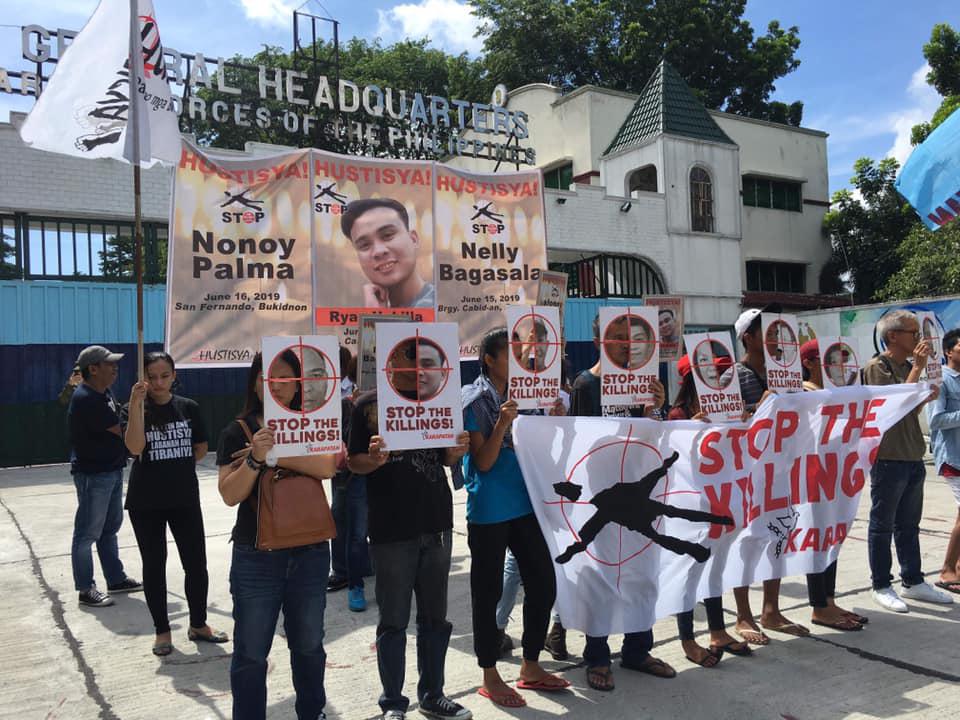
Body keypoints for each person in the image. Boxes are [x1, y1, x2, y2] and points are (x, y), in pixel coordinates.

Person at [217, 352, 337, 720]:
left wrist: (276, 455)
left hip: (311, 551)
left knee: (310, 645)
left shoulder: (314, 421)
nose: (279, 387)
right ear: (255, 381)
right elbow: (229, 494)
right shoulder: (236, 431)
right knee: (252, 652)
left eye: (287, 378)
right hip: (257, 557)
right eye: (269, 378)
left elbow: (327, 466)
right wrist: (254, 457)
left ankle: (312, 712)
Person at [347, 385, 473, 720]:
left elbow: (445, 457)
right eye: (408, 350)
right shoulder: (368, 405)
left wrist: (457, 450)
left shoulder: (438, 396)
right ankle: (392, 703)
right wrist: (373, 460)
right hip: (391, 529)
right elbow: (352, 461)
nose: (417, 359)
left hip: (436, 521)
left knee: (435, 618)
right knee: (393, 621)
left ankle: (433, 695)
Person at [461, 328, 570, 708]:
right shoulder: (474, 400)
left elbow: (549, 452)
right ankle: (489, 673)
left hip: (528, 503)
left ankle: (530, 665)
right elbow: (484, 462)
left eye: (526, 354)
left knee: (543, 581)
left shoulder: (533, 394)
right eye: (512, 354)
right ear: (489, 359)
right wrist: (503, 424)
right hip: (491, 508)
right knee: (486, 590)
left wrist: (555, 420)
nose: (523, 361)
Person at [565, 314, 673, 692]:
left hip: (640, 494)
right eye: (616, 338)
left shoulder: (647, 382)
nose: (626, 346)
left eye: (631, 338)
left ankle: (637, 649)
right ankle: (596, 655)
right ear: (599, 342)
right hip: (603, 497)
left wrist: (653, 412)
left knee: (642, 572)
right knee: (602, 574)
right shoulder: (586, 384)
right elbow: (578, 444)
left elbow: (656, 439)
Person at [122, 351, 228, 655]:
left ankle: (198, 623)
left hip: (183, 498)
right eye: (152, 376)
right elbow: (134, 447)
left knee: (196, 563)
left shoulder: (188, 408)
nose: (158, 383)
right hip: (146, 502)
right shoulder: (135, 408)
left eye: (164, 376)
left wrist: (174, 465)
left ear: (174, 375)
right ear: (143, 377)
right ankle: (162, 631)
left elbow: (201, 447)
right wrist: (135, 406)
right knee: (154, 566)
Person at [722, 308, 809, 643]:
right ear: (748, 337)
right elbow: (729, 424)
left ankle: (771, 610)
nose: (777, 340)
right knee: (744, 543)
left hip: (781, 470)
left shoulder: (789, 373)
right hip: (745, 474)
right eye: (768, 333)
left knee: (779, 536)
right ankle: (743, 615)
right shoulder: (733, 375)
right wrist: (761, 407)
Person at [864, 310, 952, 611]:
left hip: (912, 454)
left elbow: (908, 412)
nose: (919, 339)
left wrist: (923, 396)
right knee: (882, 524)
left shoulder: (907, 367)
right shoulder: (879, 366)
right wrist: (918, 371)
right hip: (888, 457)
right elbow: (893, 404)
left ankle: (913, 580)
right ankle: (881, 583)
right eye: (913, 333)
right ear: (893, 336)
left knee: (909, 524)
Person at [668, 355, 753, 664]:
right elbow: (668, 454)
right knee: (689, 573)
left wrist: (744, 421)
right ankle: (687, 639)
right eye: (712, 375)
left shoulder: (729, 412)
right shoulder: (679, 413)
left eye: (721, 375)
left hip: (719, 505)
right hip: (690, 510)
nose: (719, 381)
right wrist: (687, 428)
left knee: (715, 569)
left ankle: (717, 631)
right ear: (693, 379)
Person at [798, 341, 868, 631]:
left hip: (836, 475)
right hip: (812, 475)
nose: (839, 367)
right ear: (812, 363)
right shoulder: (803, 392)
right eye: (832, 361)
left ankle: (828, 598)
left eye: (844, 360)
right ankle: (819, 606)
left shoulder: (840, 393)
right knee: (817, 538)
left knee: (834, 536)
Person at [68, 345, 142, 608]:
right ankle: (86, 589)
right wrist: (137, 410)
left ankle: (115, 578)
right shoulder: (87, 398)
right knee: (87, 533)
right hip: (94, 475)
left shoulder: (103, 393)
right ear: (93, 369)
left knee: (109, 530)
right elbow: (121, 430)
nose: (115, 368)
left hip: (110, 470)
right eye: (109, 364)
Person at [328, 349, 373, 612]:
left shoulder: (391, 397)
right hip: (354, 473)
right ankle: (354, 583)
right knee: (355, 531)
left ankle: (365, 571)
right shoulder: (347, 401)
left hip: (384, 474)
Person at [341, 198, 434, 309]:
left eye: (387, 235)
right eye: (364, 245)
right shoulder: (373, 306)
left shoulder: (442, 308)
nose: (378, 251)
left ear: (413, 239)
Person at [928, 328, 960, 596]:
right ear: (949, 351)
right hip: (953, 458)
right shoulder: (942, 379)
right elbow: (935, 420)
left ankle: (956, 567)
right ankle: (947, 570)